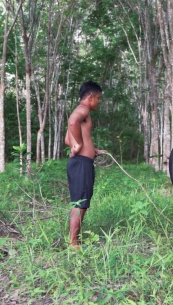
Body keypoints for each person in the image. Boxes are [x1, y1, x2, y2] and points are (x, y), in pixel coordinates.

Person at [65, 81, 103, 248]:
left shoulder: (80, 111)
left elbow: (67, 139)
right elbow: (72, 122)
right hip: (81, 163)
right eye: (98, 98)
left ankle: (75, 241)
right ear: (90, 97)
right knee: (80, 204)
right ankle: (73, 244)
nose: (99, 102)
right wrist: (79, 145)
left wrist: (90, 148)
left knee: (80, 202)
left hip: (80, 162)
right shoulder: (83, 109)